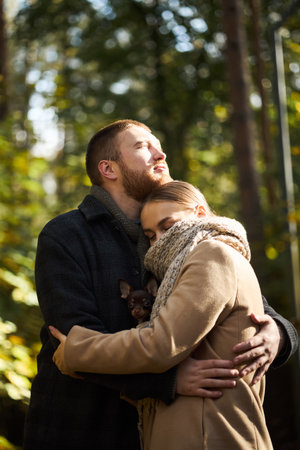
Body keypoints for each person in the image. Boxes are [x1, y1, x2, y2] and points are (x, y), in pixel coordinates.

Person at [23, 120, 298, 450]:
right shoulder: (66, 235)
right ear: (108, 168)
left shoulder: (186, 235)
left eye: (157, 143)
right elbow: (69, 339)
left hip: (167, 429)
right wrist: (166, 381)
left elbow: (253, 306)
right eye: (142, 146)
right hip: (86, 428)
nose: (160, 152)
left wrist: (279, 335)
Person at [50, 180, 277, 449]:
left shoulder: (212, 254)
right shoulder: (185, 264)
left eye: (167, 226)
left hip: (209, 434)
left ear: (200, 213)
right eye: (150, 235)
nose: (160, 240)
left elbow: (161, 344)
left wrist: (76, 350)